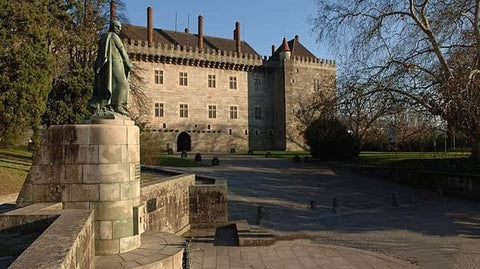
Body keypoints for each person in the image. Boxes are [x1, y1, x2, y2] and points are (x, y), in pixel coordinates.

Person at [89, 20, 132, 116]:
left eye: (120, 28)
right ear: (112, 27)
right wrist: (128, 63)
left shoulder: (103, 37)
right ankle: (118, 106)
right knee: (122, 84)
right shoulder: (114, 36)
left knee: (108, 85)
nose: (119, 30)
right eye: (117, 27)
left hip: (105, 65)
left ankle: (109, 105)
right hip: (116, 63)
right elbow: (122, 50)